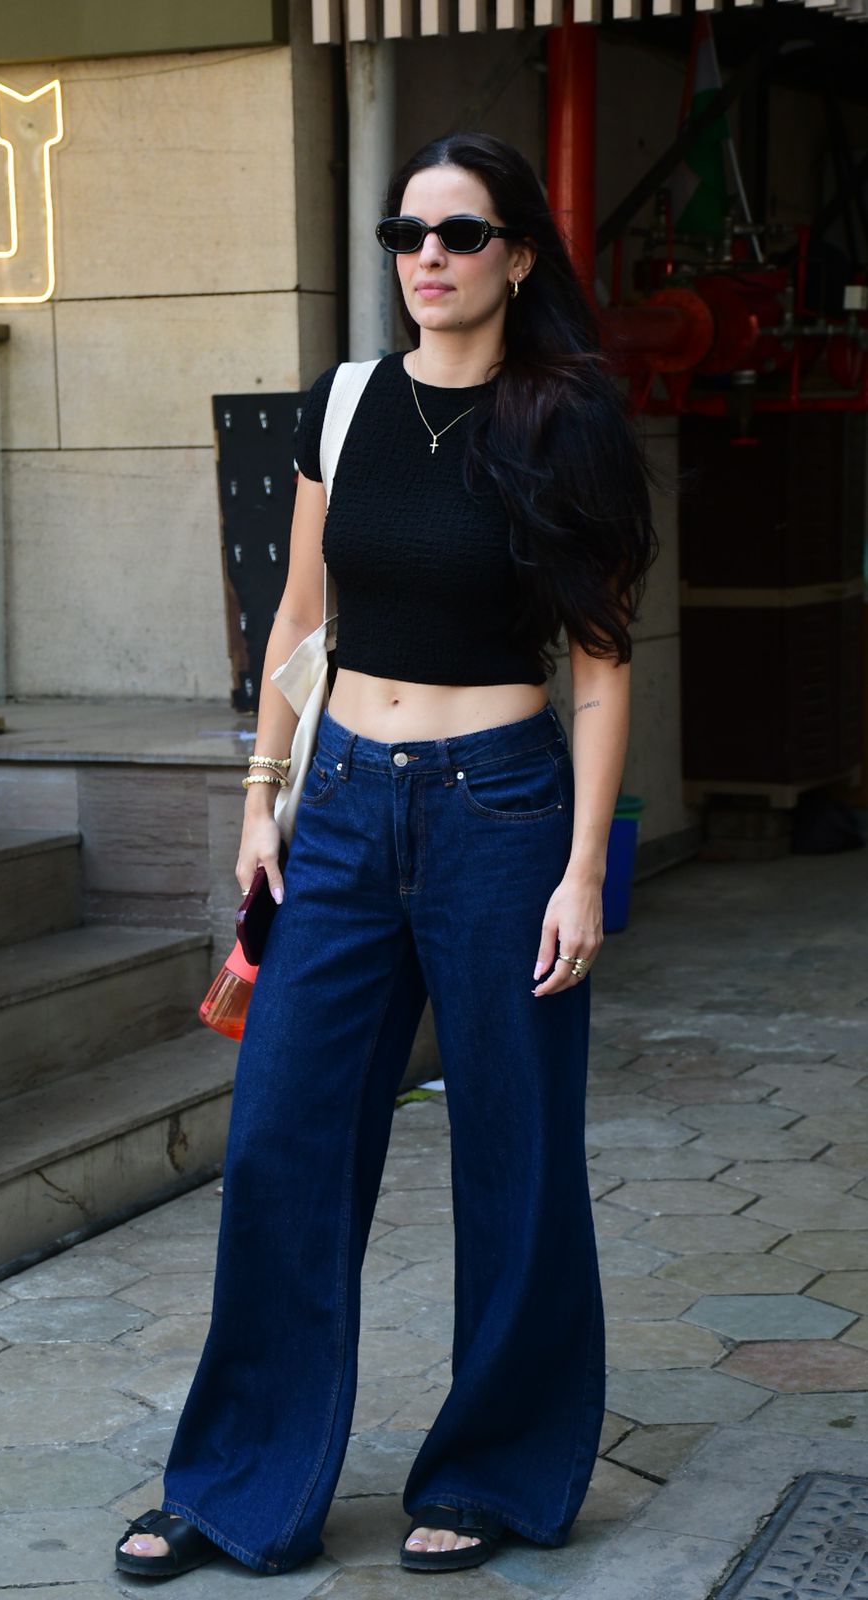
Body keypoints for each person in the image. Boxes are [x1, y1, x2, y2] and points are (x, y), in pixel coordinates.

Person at [115, 130, 658, 1582]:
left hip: (500, 810)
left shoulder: (565, 423)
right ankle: (238, 1485)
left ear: (517, 256)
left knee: (514, 1152)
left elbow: (599, 659)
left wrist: (581, 868)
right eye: (404, 235)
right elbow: (299, 617)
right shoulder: (346, 403)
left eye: (460, 234)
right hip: (341, 805)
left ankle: (493, 1473)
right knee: (284, 1142)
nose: (427, 257)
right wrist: (260, 795)